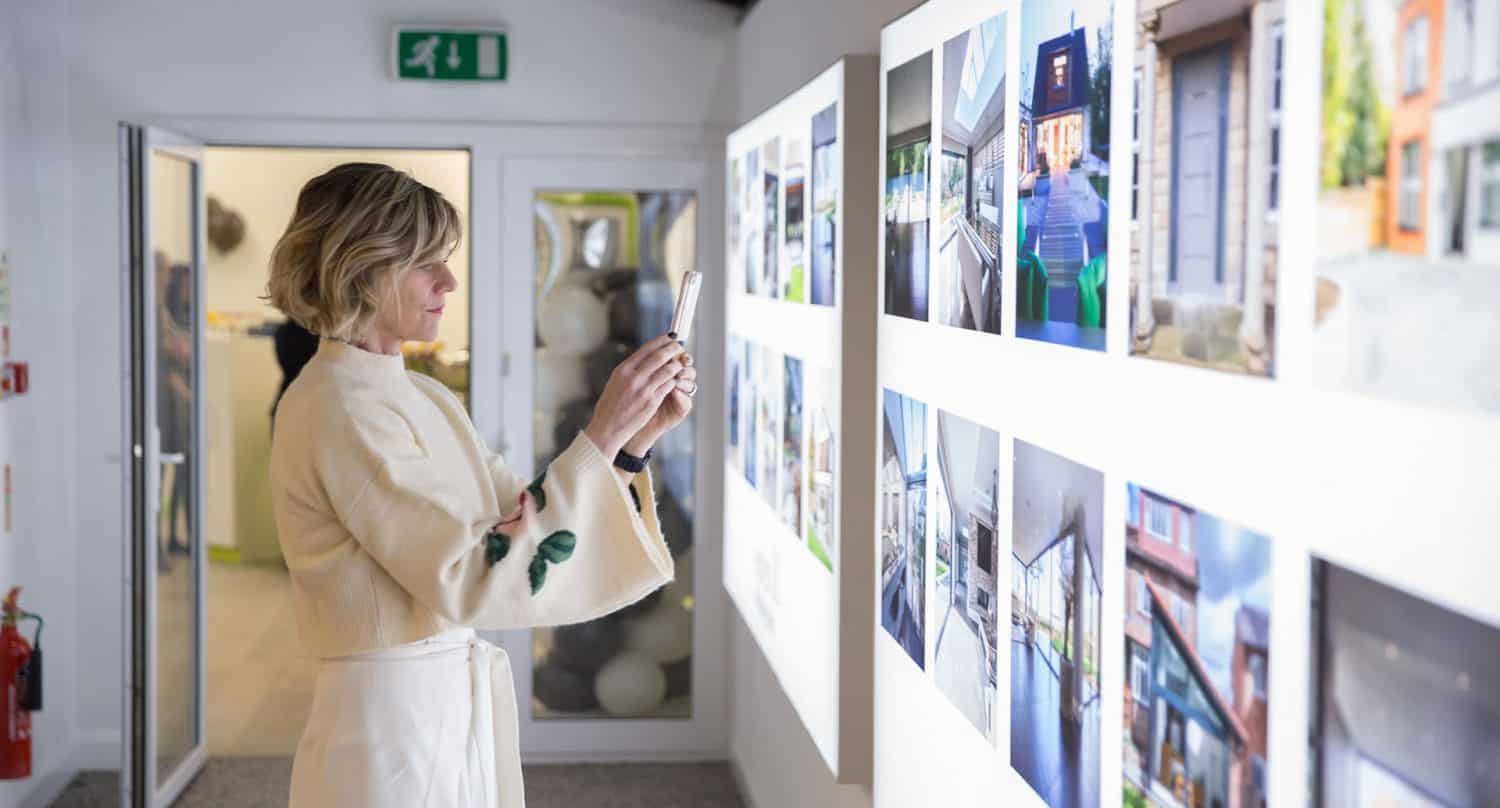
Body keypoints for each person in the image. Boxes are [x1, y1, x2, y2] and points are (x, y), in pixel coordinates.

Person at [265, 162, 697, 808]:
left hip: (435, 701)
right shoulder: (339, 408)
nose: (449, 282)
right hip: (391, 721)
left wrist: (631, 443)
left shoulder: (421, 394)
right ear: (361, 267)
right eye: (425, 264)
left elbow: (516, 518)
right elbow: (473, 573)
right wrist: (601, 432)